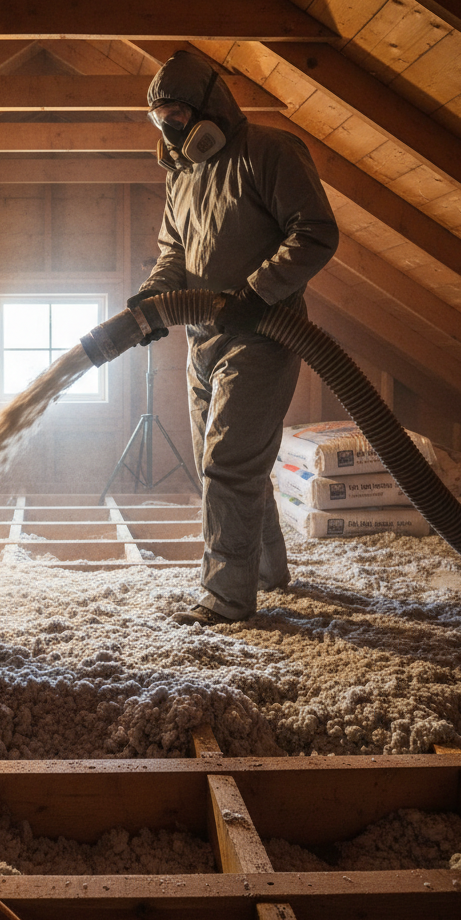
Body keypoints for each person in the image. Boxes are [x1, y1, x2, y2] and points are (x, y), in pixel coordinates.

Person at [131, 49, 339, 625]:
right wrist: (153, 298)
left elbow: (316, 232)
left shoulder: (270, 152)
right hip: (203, 338)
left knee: (228, 463)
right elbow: (173, 253)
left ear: (208, 109)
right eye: (161, 119)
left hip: (263, 333)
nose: (171, 129)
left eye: (177, 114)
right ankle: (268, 571)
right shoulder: (182, 174)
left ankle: (226, 599)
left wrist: (257, 294)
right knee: (219, 464)